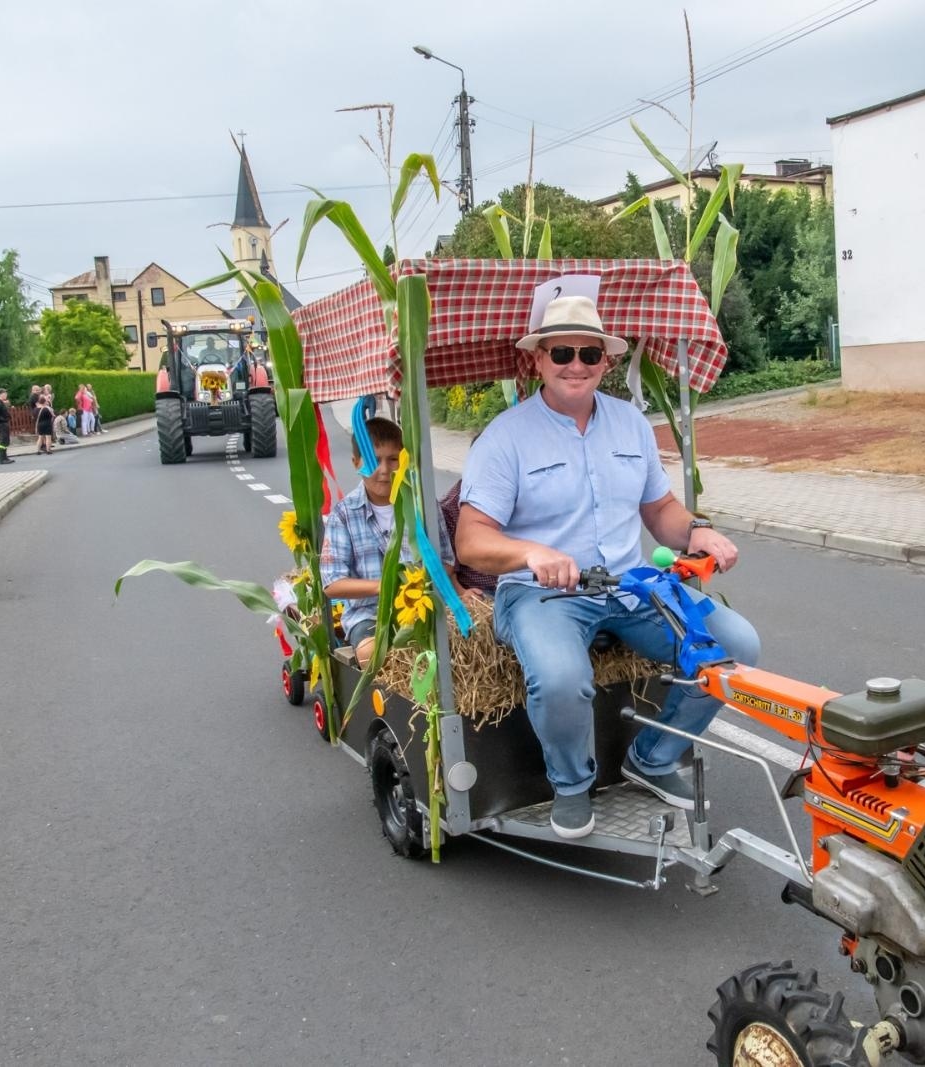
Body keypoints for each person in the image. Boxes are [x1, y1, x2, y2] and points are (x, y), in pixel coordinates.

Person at [456, 296, 760, 840]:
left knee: (736, 645)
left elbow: (660, 511)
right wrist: (531, 553)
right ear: (538, 361)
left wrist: (697, 531)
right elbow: (472, 541)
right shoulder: (506, 436)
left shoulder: (630, 425)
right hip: (539, 595)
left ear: (607, 361)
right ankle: (571, 786)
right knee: (561, 678)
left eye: (589, 353)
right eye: (563, 352)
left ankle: (652, 757)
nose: (576, 364)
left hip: (629, 587)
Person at [319, 417, 462, 665]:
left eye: (393, 459)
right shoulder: (344, 514)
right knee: (373, 653)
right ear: (356, 462)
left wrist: (417, 585)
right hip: (370, 617)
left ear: (404, 460)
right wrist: (386, 587)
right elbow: (332, 583)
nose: (384, 470)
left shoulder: (423, 506)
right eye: (374, 460)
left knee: (460, 647)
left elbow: (447, 561)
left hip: (423, 609)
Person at [0, 389, 15, 465]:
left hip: (4, 423)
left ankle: (5, 458)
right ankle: (2, 459)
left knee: (5, 441)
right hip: (1, 424)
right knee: (3, 441)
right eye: (5, 393)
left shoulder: (1, 403)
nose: (6, 395)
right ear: (1, 394)